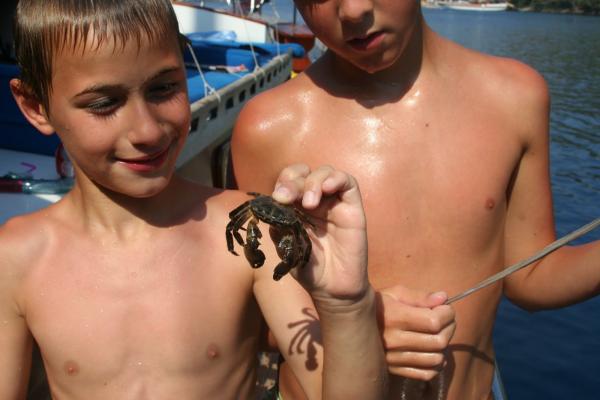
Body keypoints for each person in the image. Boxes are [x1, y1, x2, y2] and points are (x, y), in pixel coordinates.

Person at [0, 1, 388, 399]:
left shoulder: (247, 232)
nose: (147, 131)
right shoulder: (15, 256)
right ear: (35, 106)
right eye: (104, 104)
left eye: (164, 88)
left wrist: (346, 306)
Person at [230, 1, 600, 399]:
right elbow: (249, 322)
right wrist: (349, 330)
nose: (352, 10)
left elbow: (531, 274)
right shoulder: (268, 127)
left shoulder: (516, 96)